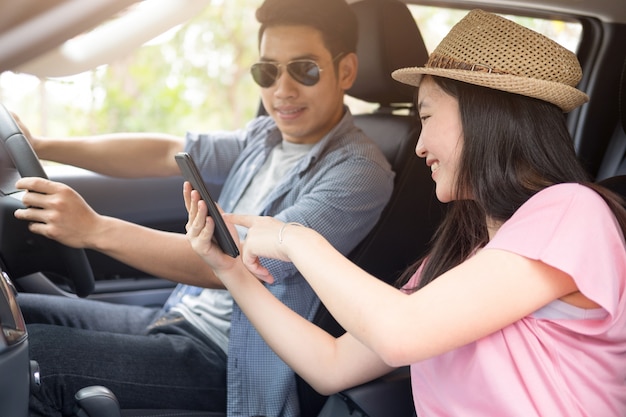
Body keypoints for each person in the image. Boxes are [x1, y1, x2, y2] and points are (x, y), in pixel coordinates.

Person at [185, 9, 626, 416]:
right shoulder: (463, 260)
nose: (419, 146)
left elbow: (400, 334)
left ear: (484, 114)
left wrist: (293, 238)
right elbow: (331, 365)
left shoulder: (572, 212)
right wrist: (231, 273)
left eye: (428, 116)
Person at [12, 0, 394, 415]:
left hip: (229, 357)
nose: (282, 90)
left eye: (305, 69)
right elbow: (169, 152)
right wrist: (42, 146)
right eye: (267, 72)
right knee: (18, 320)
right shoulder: (265, 136)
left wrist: (94, 230)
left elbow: (237, 265)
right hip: (179, 316)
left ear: (347, 71)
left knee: (30, 363)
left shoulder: (359, 172)